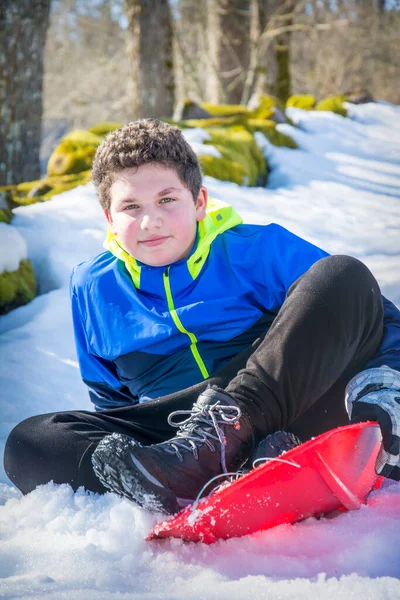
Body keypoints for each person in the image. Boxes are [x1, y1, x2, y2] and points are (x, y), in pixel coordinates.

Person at [4, 119, 400, 514]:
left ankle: (241, 448)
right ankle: (193, 477)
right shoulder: (92, 286)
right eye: (130, 207)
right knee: (30, 441)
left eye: (166, 200)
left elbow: (367, 314)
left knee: (344, 274)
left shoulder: (257, 250)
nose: (150, 220)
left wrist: (384, 392)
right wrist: (137, 457)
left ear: (199, 202)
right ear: (109, 218)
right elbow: (112, 401)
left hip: (282, 404)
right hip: (178, 436)